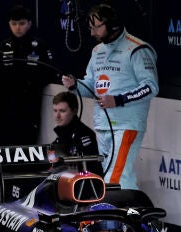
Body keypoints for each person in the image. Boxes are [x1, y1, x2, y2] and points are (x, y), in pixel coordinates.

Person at [61, 3, 158, 190]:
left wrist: (118, 99)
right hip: (103, 126)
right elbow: (91, 86)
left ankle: (114, 219)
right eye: (90, 28)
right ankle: (134, 216)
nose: (91, 33)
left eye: (96, 27)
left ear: (111, 24)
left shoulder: (138, 49)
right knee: (119, 177)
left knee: (115, 179)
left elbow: (150, 86)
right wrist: (75, 85)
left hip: (126, 125)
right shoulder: (97, 51)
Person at [0, 4, 54, 146]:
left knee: (27, 153)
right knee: (5, 154)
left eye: (22, 23)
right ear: (9, 24)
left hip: (29, 112)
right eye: (14, 23)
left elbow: (50, 75)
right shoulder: (1, 47)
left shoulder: (40, 47)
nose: (18, 28)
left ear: (29, 23)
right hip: (3, 113)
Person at [51, 91, 103, 177]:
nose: (57, 116)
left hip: (83, 186)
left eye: (62, 111)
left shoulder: (85, 135)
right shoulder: (59, 138)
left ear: (74, 111)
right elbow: (51, 166)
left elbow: (90, 171)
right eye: (55, 111)